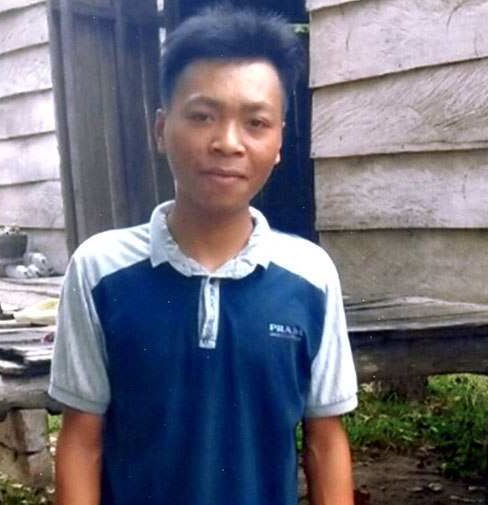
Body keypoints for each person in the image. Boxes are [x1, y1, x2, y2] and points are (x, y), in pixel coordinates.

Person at [49, 6, 358, 505]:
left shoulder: (311, 277)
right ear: (160, 129)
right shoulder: (100, 272)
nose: (228, 143)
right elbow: (83, 442)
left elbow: (325, 441)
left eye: (256, 122)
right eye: (202, 116)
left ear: (279, 141)